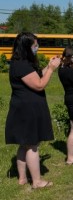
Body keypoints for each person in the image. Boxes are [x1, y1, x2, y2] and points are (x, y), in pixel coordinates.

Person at [5, 32, 60, 189]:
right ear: (26, 47)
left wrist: (48, 66)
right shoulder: (21, 65)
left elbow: (35, 76)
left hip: (23, 107)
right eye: (34, 45)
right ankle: (37, 181)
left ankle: (22, 178)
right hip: (27, 109)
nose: (37, 48)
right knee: (32, 145)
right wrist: (51, 69)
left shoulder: (21, 62)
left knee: (24, 144)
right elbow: (39, 84)